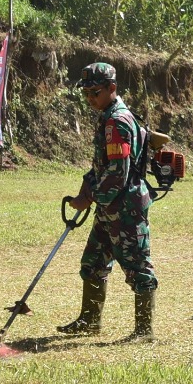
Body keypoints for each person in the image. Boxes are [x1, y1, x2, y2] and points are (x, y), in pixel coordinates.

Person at [58, 63, 157, 341]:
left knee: (137, 266)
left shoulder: (117, 121)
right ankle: (90, 322)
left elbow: (118, 172)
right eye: (86, 93)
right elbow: (102, 167)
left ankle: (144, 331)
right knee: (92, 262)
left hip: (125, 206)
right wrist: (87, 187)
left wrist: (92, 197)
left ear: (112, 88)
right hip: (109, 205)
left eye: (95, 92)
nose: (90, 98)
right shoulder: (107, 116)